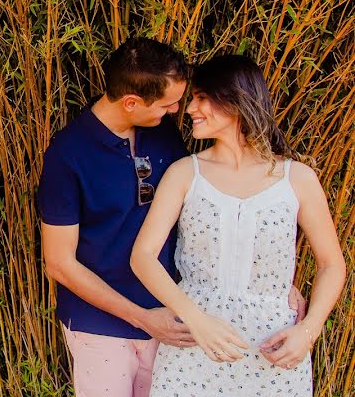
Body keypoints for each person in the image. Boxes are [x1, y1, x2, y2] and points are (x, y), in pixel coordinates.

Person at [37, 38, 306, 397]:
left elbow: (203, 216)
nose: (180, 109)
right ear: (131, 102)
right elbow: (58, 263)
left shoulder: (162, 133)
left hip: (173, 314)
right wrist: (141, 317)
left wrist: (266, 279)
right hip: (101, 325)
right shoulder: (67, 155)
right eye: (169, 103)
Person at [131, 54, 346, 396]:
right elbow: (142, 256)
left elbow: (332, 264)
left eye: (201, 98)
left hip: (273, 351)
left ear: (236, 101)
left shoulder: (297, 178)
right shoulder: (185, 173)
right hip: (193, 348)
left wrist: (309, 330)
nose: (189, 110)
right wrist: (197, 321)